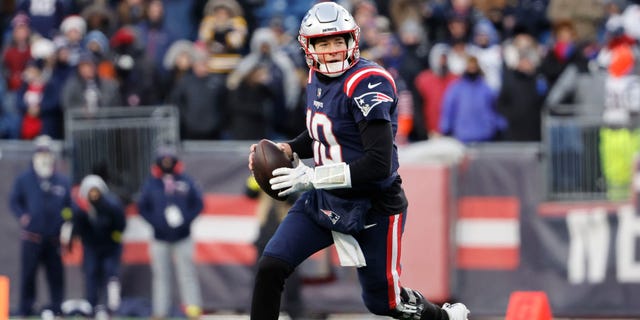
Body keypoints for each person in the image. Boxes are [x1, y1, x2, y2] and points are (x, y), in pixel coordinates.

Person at [247, 3, 470, 320]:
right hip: (326, 199)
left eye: (338, 40)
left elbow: (377, 163)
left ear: (352, 40)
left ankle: (444, 318)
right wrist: (289, 148)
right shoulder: (315, 77)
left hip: (374, 205)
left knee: (384, 304)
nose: (332, 49)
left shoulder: (367, 81)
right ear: (308, 46)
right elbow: (326, 132)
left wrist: (311, 177)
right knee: (271, 265)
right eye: (323, 43)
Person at [137, 147, 204, 319]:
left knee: (187, 273)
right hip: (160, 238)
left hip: (183, 236)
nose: (167, 162)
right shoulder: (151, 183)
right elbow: (142, 207)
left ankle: (193, 309)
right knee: (161, 276)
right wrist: (156, 223)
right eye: (163, 159)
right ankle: (160, 312)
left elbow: (198, 203)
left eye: (170, 159)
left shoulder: (186, 180)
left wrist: (185, 221)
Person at [9, 135, 72, 317]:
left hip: (53, 238)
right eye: (41, 151)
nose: (44, 155)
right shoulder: (24, 179)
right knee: (28, 275)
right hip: (32, 237)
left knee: (56, 276)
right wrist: (23, 216)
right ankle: (26, 308)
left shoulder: (61, 181)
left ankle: (56, 308)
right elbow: (14, 201)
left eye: (47, 151)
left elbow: (69, 207)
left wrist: (66, 222)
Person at [71, 174, 126, 317]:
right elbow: (77, 228)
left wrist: (114, 239)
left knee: (110, 274)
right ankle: (91, 305)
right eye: (91, 191)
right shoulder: (81, 209)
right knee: (91, 273)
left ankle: (111, 307)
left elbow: (120, 225)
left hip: (110, 245)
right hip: (91, 246)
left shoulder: (112, 205)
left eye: (96, 191)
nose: (94, 194)